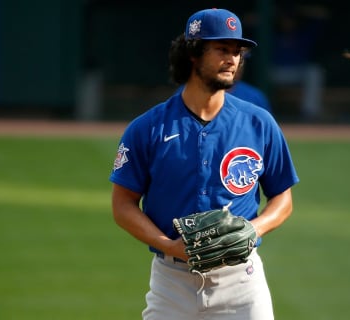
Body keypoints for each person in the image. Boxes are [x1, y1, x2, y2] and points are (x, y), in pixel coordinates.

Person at [109, 8, 299, 320]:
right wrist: (169, 246)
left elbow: (283, 197)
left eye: (237, 51)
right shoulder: (148, 128)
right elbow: (122, 205)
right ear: (193, 55)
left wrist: (253, 229)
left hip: (242, 281)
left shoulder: (259, 123)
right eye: (222, 49)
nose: (233, 59)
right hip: (172, 283)